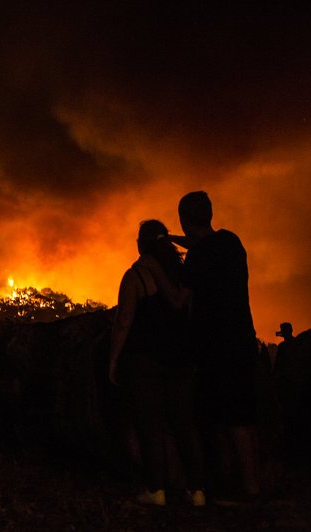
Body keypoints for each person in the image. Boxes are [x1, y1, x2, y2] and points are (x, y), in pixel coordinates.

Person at [140, 191, 261, 502]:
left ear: (184, 219)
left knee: (225, 419)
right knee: (243, 415)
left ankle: (241, 489)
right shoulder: (231, 242)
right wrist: (173, 239)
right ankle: (251, 486)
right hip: (243, 339)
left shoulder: (197, 259)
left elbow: (179, 300)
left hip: (215, 346)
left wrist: (154, 267)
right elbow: (204, 244)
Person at [109, 220, 205, 507]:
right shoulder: (183, 273)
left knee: (150, 423)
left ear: (141, 244)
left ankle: (156, 490)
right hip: (181, 358)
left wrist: (113, 359)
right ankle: (197, 491)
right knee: (184, 423)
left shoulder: (136, 275)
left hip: (145, 359)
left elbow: (124, 321)